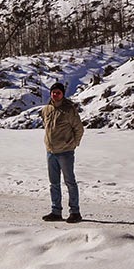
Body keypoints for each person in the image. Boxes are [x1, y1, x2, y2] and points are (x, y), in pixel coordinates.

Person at [40, 82, 84, 223]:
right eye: (53, 92)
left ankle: (75, 212)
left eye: (58, 92)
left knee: (70, 182)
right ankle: (56, 211)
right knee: (54, 183)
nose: (55, 94)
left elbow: (79, 129)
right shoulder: (46, 109)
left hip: (65, 152)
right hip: (51, 152)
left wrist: (73, 144)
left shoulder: (69, 110)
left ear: (63, 94)